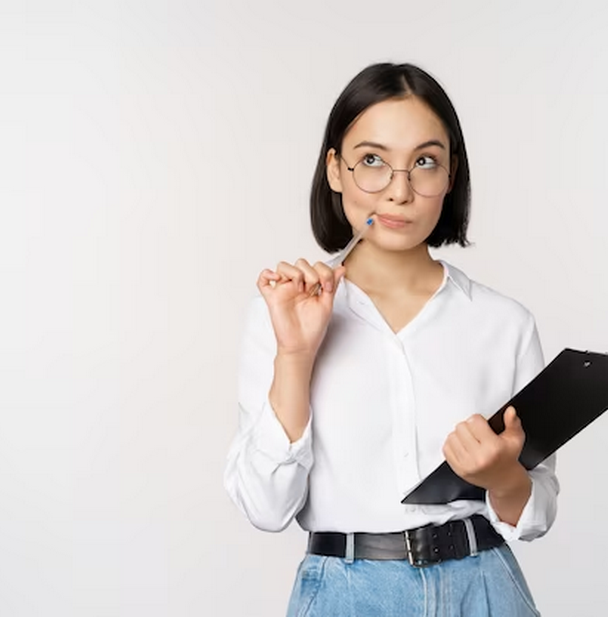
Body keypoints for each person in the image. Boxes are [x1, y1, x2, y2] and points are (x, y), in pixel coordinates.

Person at [224, 62, 559, 617]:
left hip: (486, 591)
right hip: (345, 596)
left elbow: (537, 508)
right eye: (373, 161)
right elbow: (265, 508)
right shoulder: (280, 316)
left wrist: (503, 478)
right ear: (335, 169)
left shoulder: (505, 324)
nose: (399, 192)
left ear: (450, 175)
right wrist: (295, 355)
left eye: (424, 162)